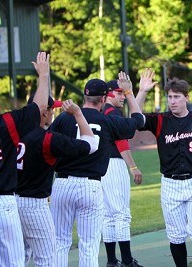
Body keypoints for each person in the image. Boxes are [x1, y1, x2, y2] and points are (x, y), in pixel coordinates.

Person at [49, 72, 144, 267]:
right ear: (103, 98)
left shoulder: (63, 119)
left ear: (84, 97)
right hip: (90, 186)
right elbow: (139, 120)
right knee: (89, 245)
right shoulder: (108, 121)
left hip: (62, 184)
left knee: (60, 242)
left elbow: (46, 145)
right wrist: (129, 92)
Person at [136, 69, 192, 267]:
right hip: (170, 184)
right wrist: (142, 91)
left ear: (187, 97)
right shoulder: (160, 121)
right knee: (176, 235)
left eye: (177, 97)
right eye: (169, 97)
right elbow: (136, 118)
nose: (172, 101)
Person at [0, 52, 50, 266]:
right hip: (1, 204)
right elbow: (39, 109)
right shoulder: (4, 124)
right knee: (13, 262)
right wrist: (44, 76)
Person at [16, 96, 99, 266]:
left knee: (17, 257)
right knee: (47, 258)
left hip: (9, 202)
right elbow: (91, 145)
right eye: (52, 109)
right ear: (44, 111)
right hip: (34, 204)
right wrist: (78, 114)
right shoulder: (47, 138)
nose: (53, 112)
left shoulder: (13, 132)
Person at [101, 80, 143, 267]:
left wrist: (140, 92)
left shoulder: (102, 113)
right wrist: (133, 167)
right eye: (118, 93)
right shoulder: (112, 113)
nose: (122, 96)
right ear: (108, 94)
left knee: (108, 215)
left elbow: (134, 119)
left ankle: (112, 261)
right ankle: (127, 261)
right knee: (121, 214)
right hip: (114, 165)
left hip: (100, 166)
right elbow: (122, 142)